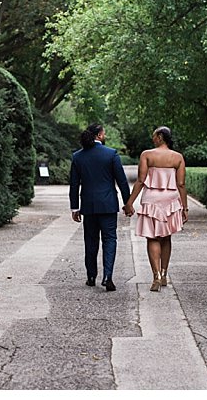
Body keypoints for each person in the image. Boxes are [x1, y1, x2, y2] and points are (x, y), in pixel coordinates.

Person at [123, 126, 188, 292]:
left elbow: (140, 181)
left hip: (151, 200)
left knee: (152, 238)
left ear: (160, 137)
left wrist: (129, 202)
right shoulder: (178, 157)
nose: (152, 139)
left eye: (154, 136)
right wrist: (185, 208)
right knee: (166, 237)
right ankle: (165, 274)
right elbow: (181, 184)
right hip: (171, 201)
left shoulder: (147, 155)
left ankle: (156, 276)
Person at [69, 123, 131, 292]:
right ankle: (107, 276)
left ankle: (91, 276)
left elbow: (74, 185)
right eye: (104, 133)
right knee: (110, 240)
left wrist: (75, 207)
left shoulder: (78, 157)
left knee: (90, 241)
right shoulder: (111, 154)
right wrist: (128, 203)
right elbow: (122, 181)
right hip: (108, 205)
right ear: (99, 135)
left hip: (88, 206)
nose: (105, 136)